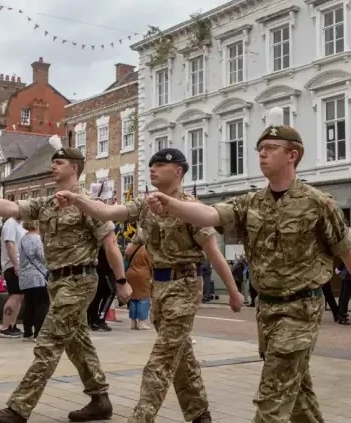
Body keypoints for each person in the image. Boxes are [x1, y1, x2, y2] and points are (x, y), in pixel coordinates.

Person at [141, 108, 351, 422]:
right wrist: (172, 203)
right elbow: (211, 216)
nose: (262, 155)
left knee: (271, 401)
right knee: (299, 399)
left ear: (293, 155)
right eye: (259, 150)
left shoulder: (318, 203)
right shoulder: (250, 203)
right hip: (267, 313)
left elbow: (348, 252)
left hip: (300, 311)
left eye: (270, 149)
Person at [56, 147, 244, 423]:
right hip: (159, 288)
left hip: (184, 285)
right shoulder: (146, 206)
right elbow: (110, 211)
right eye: (152, 164)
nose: (152, 169)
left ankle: (141, 418)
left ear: (177, 171)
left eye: (160, 165)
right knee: (181, 355)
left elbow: (214, 253)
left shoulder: (192, 208)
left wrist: (234, 291)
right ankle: (199, 413)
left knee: (161, 360)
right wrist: (78, 200)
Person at [0, 135, 130, 423]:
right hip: (56, 282)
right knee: (77, 342)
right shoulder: (46, 204)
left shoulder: (89, 204)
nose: (52, 166)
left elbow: (110, 244)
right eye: (52, 162)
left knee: (47, 342)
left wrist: (121, 282)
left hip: (80, 280)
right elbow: (10, 208)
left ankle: (18, 409)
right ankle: (100, 399)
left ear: (74, 168)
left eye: (58, 162)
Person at [17, 221, 48, 341]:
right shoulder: (37, 239)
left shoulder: (22, 240)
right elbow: (42, 256)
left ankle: (27, 332)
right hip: (38, 276)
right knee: (42, 304)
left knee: (29, 305)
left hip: (25, 276)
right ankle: (38, 332)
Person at [0, 217, 26, 338]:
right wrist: (16, 264)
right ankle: (5, 327)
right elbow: (10, 244)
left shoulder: (19, 224)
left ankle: (12, 324)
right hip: (12, 265)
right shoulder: (10, 223)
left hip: (19, 264)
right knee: (15, 295)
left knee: (19, 296)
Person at [125, 238, 152, 330]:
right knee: (143, 298)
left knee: (132, 297)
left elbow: (126, 260)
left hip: (130, 273)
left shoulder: (129, 248)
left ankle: (133, 322)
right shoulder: (147, 249)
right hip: (143, 274)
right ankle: (141, 322)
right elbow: (151, 263)